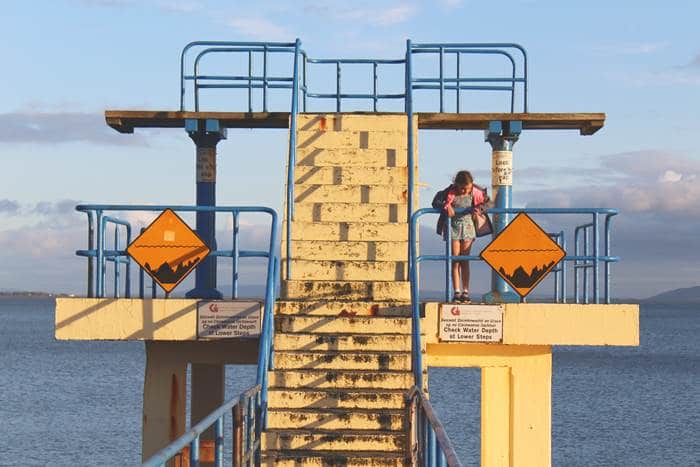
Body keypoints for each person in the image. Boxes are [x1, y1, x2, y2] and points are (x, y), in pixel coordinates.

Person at [432, 170, 489, 303]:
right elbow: (436, 202)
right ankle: (456, 291)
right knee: (455, 259)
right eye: (462, 188)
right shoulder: (448, 193)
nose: (464, 191)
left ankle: (466, 291)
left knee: (465, 259)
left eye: (467, 188)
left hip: (468, 227)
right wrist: (446, 206)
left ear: (471, 185)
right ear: (456, 184)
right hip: (453, 227)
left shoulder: (476, 192)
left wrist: (479, 209)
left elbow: (487, 202)